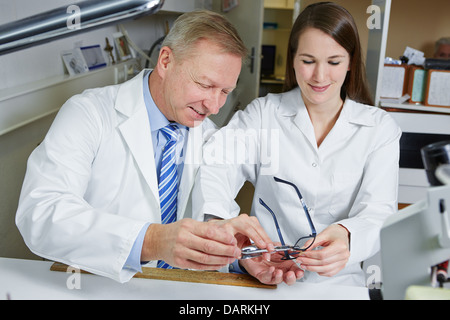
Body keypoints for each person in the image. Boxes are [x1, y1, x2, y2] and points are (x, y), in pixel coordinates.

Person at [16, 10, 273, 283]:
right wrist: (152, 240)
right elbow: (41, 214)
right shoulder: (89, 114)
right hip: (95, 287)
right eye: (204, 84)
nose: (214, 106)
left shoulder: (212, 138)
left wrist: (241, 261)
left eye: (224, 91)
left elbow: (211, 228)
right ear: (165, 61)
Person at [193, 2, 401, 287]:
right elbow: (217, 165)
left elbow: (379, 211)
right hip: (264, 276)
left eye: (334, 62)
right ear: (292, 59)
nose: (319, 76)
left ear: (351, 62)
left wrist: (347, 235)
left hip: (339, 283)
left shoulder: (378, 128)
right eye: (308, 60)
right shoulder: (264, 114)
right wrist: (225, 227)